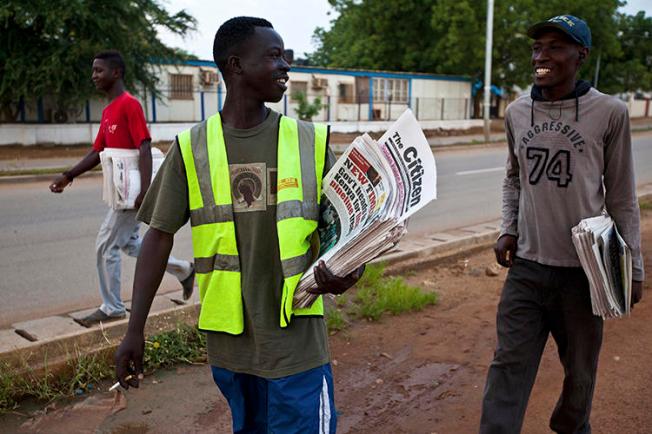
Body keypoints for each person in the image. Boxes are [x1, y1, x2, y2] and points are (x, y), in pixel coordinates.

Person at [114, 17, 364, 433]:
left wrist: (351, 269)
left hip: (297, 346)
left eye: (285, 56)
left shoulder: (309, 141)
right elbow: (158, 237)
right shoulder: (192, 148)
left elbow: (351, 228)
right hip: (232, 351)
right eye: (274, 55)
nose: (286, 65)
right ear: (235, 66)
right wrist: (134, 329)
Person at [480, 15, 645, 434]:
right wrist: (507, 227)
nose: (542, 56)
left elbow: (622, 196)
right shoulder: (518, 112)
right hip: (528, 271)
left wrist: (635, 267)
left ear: (580, 55)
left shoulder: (609, 112)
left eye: (555, 47)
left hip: (586, 275)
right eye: (538, 47)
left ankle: (572, 425)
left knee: (580, 379)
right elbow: (513, 177)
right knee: (507, 369)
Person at [49, 50, 195, 327]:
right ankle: (184, 270)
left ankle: (112, 307)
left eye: (99, 70)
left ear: (116, 73)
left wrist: (144, 191)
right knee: (130, 244)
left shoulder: (130, 105)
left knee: (106, 245)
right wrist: (68, 175)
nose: (94, 76)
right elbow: (97, 152)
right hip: (121, 190)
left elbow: (144, 145)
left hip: (132, 192)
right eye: (93, 70)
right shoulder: (107, 111)